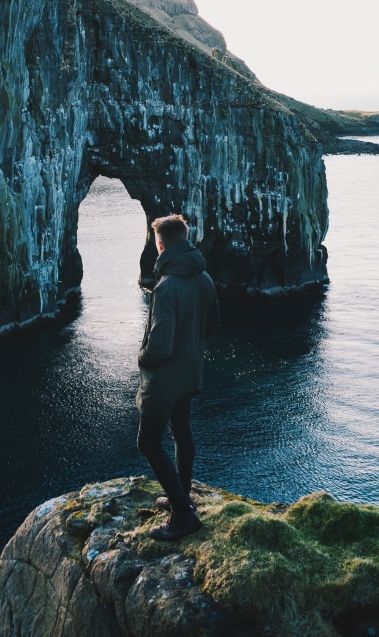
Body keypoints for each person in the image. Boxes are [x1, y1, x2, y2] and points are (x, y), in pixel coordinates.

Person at [136, 214, 220, 540]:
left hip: (165, 380)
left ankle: (183, 516)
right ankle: (180, 496)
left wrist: (143, 357)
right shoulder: (205, 279)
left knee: (147, 442)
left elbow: (159, 345)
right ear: (185, 238)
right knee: (181, 431)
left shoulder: (167, 286)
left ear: (160, 245)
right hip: (191, 371)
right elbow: (212, 326)